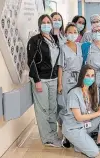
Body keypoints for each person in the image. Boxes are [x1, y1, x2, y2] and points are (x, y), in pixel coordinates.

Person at [62, 65, 100, 157]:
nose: (90, 78)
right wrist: (99, 112)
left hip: (86, 124)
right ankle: (72, 139)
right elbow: (78, 117)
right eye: (87, 75)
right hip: (74, 127)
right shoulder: (74, 93)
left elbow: (94, 109)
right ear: (82, 76)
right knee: (94, 153)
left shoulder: (93, 90)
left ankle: (99, 143)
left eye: (92, 76)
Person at [27, 14, 61, 147]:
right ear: (40, 24)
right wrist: (37, 80)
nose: (47, 24)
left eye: (49, 22)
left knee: (53, 108)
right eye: (44, 22)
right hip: (41, 79)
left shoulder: (54, 39)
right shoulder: (35, 40)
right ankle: (47, 138)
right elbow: (31, 61)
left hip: (53, 78)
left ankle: (53, 134)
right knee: (43, 109)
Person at [57, 23, 83, 147]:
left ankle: (76, 132)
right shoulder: (63, 47)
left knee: (76, 106)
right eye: (70, 32)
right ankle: (66, 136)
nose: (72, 34)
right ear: (66, 34)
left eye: (75, 32)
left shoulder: (80, 46)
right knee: (66, 106)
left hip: (78, 80)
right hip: (67, 79)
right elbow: (61, 67)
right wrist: (60, 84)